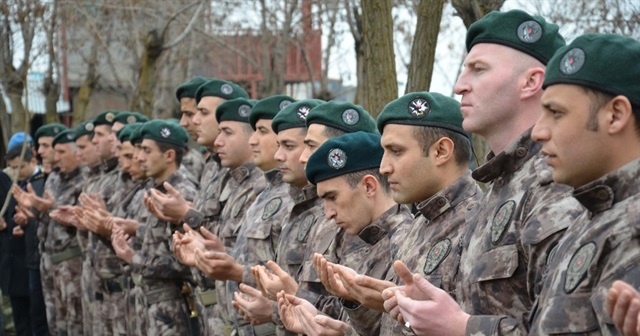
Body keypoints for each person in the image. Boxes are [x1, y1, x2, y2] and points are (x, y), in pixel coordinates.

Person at [382, 9, 583, 335]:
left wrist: (461, 327)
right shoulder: (499, 189)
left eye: (478, 70)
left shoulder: (556, 184)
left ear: (531, 82)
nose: (460, 86)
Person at [526, 33, 640, 335]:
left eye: (556, 113)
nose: (538, 131)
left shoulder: (632, 227)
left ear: (615, 115)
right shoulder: (592, 216)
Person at [281, 130, 412, 336]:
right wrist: (316, 317)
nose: (328, 213)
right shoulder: (363, 237)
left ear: (369, 186)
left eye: (332, 196)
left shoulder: (406, 242)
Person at [111, 119, 197, 334]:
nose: (139, 157)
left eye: (146, 151)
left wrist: (134, 258)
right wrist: (136, 230)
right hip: (151, 304)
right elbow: (159, 241)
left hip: (172, 308)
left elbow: (184, 262)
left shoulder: (181, 193)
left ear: (169, 156)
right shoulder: (155, 190)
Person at [0, 144, 45, 336]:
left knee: (37, 318)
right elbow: (9, 214)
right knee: (21, 320)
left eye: (19, 167)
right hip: (14, 261)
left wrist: (26, 223)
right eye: (12, 168)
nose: (15, 173)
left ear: (33, 161)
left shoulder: (43, 182)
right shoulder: (15, 185)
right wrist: (11, 225)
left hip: (33, 260)